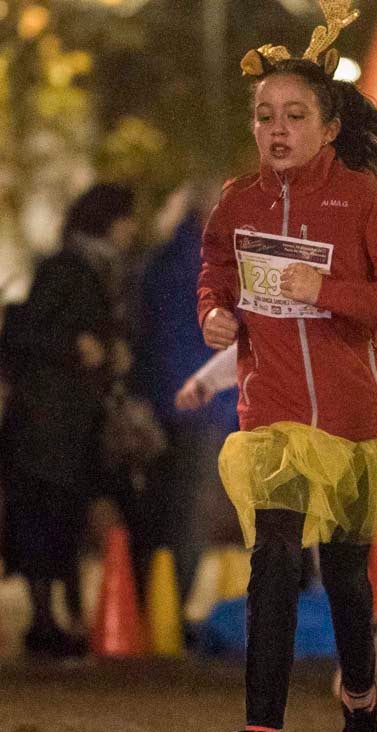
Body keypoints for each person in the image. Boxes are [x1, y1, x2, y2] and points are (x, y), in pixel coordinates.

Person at [196, 7, 377, 732]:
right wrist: (214, 314)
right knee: (272, 558)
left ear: (330, 127)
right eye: (265, 116)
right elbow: (216, 275)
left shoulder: (362, 201)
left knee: (345, 577)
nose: (277, 129)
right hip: (272, 417)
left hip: (354, 423)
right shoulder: (237, 202)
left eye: (295, 115)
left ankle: (360, 700)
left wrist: (326, 291)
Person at [0, 183, 139, 658]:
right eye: (127, 218)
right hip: (46, 423)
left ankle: (66, 618)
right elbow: (24, 334)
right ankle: (45, 621)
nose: (132, 229)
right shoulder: (66, 270)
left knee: (67, 518)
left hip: (73, 421)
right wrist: (77, 346)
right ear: (108, 221)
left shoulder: (98, 271)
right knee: (44, 519)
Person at [135, 187, 241, 602]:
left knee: (162, 511)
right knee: (188, 516)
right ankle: (169, 610)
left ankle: (154, 604)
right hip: (200, 407)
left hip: (166, 403)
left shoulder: (164, 262)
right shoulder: (208, 269)